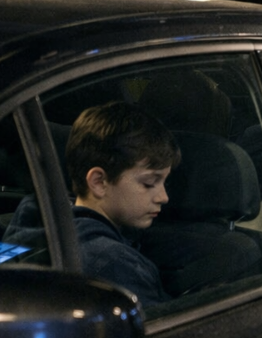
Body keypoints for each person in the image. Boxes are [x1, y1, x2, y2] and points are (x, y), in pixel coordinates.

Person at [66, 101, 181, 309]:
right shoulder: (115, 264)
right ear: (99, 182)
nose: (164, 197)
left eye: (165, 182)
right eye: (149, 183)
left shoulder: (36, 226)